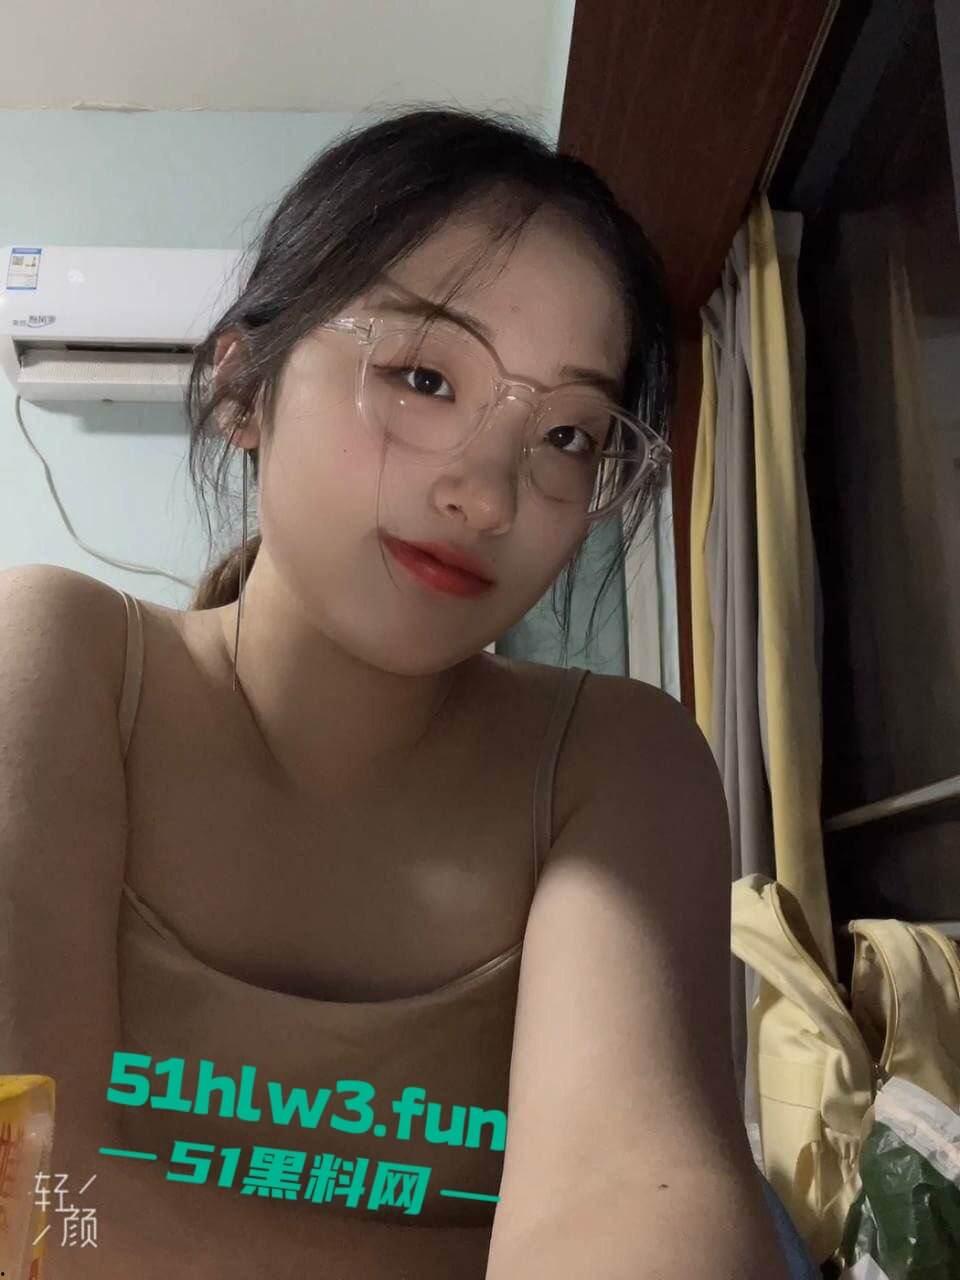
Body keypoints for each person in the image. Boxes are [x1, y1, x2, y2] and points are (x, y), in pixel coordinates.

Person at [0, 107, 794, 1278]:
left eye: (568, 435)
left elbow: (651, 1209)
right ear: (244, 386)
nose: (488, 493)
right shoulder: (61, 657)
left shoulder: (618, 759)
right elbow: (24, 1199)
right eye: (425, 376)